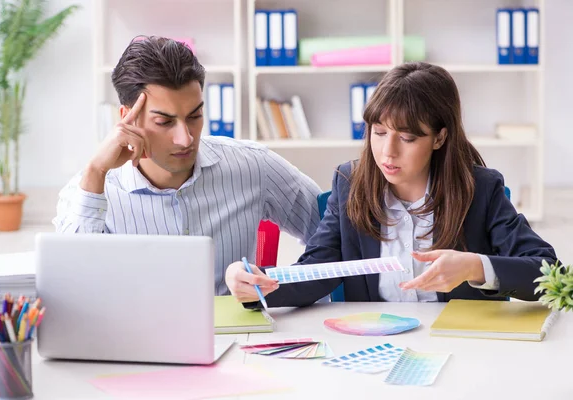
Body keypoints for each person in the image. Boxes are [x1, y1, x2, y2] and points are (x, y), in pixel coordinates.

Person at [226, 62, 558, 306]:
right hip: (373, 347)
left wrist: (474, 266)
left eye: (408, 138)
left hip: (462, 347)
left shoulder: (481, 189)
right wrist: (258, 285)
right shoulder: (349, 183)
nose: (388, 151)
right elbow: (318, 270)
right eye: (379, 132)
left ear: (440, 137)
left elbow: (548, 273)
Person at [53, 36, 321, 295]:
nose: (186, 139)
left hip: (236, 338)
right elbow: (72, 289)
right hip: (135, 338)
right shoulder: (89, 189)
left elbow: (335, 238)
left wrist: (280, 288)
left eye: (195, 116)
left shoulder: (254, 165)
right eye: (165, 122)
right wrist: (95, 172)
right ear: (128, 119)